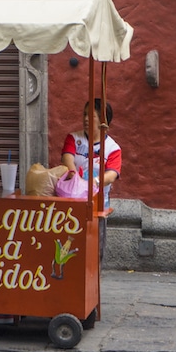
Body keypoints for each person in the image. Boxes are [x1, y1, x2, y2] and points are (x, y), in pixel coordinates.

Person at [61, 98, 122, 261]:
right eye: (84, 114)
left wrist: (93, 183)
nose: (86, 119)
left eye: (91, 115)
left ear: (103, 120)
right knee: (71, 242)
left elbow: (112, 174)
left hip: (99, 204)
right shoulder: (73, 138)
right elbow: (67, 158)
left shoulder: (113, 148)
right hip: (73, 201)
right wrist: (75, 178)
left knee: (95, 247)